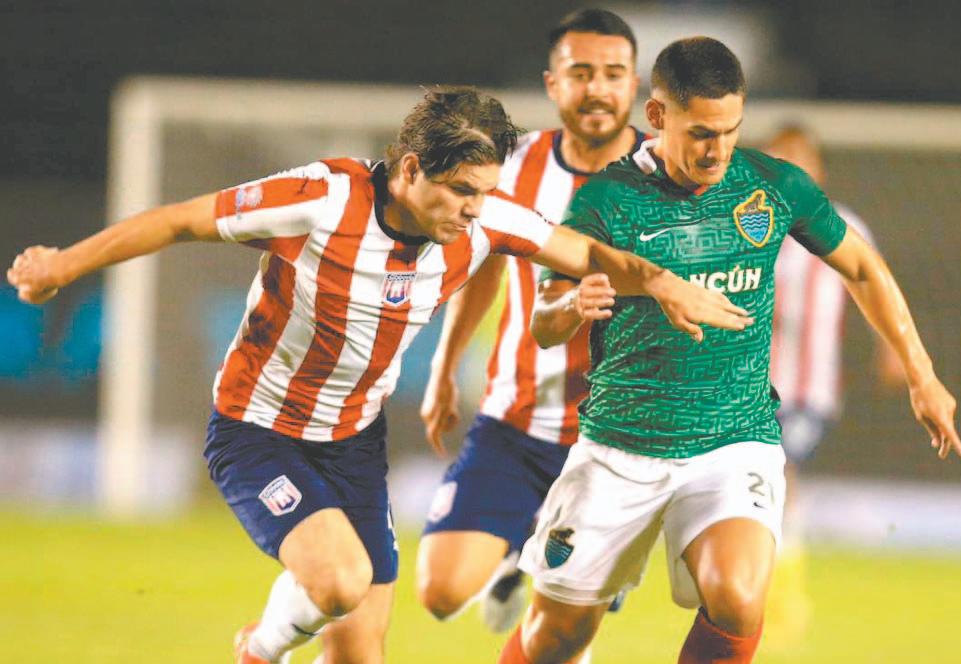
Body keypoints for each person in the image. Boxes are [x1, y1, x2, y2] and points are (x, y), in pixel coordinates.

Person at [6, 87, 753, 664]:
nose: (475, 210)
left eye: (485, 191)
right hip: (257, 430)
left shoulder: (486, 220)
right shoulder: (321, 198)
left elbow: (584, 253)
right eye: (461, 190)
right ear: (410, 169)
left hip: (353, 443)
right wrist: (61, 265)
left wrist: (663, 283)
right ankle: (258, 650)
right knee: (340, 581)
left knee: (360, 653)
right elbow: (179, 219)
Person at [497, 38, 961, 664]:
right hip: (621, 447)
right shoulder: (606, 200)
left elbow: (861, 266)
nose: (717, 150)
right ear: (657, 116)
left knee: (740, 599)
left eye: (729, 130)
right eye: (700, 133)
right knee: (555, 639)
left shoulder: (771, 186)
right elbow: (544, 323)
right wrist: (572, 306)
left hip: (734, 440)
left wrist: (921, 374)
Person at [416, 8, 644, 634]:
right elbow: (482, 267)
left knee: (565, 626)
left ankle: (543, 554)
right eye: (581, 72)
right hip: (517, 419)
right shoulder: (512, 169)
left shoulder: (667, 175)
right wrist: (444, 367)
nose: (597, 88)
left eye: (614, 74)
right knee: (440, 592)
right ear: (553, 83)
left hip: (619, 439)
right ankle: (526, 547)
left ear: (634, 84)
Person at [761, 124, 904, 644]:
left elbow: (875, 285)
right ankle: (763, 587)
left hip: (809, 390)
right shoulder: (752, 224)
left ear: (817, 167)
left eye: (799, 159)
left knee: (779, 474)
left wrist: (895, 349)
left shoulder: (842, 226)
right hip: (748, 387)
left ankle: (783, 596)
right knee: (762, 484)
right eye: (780, 159)